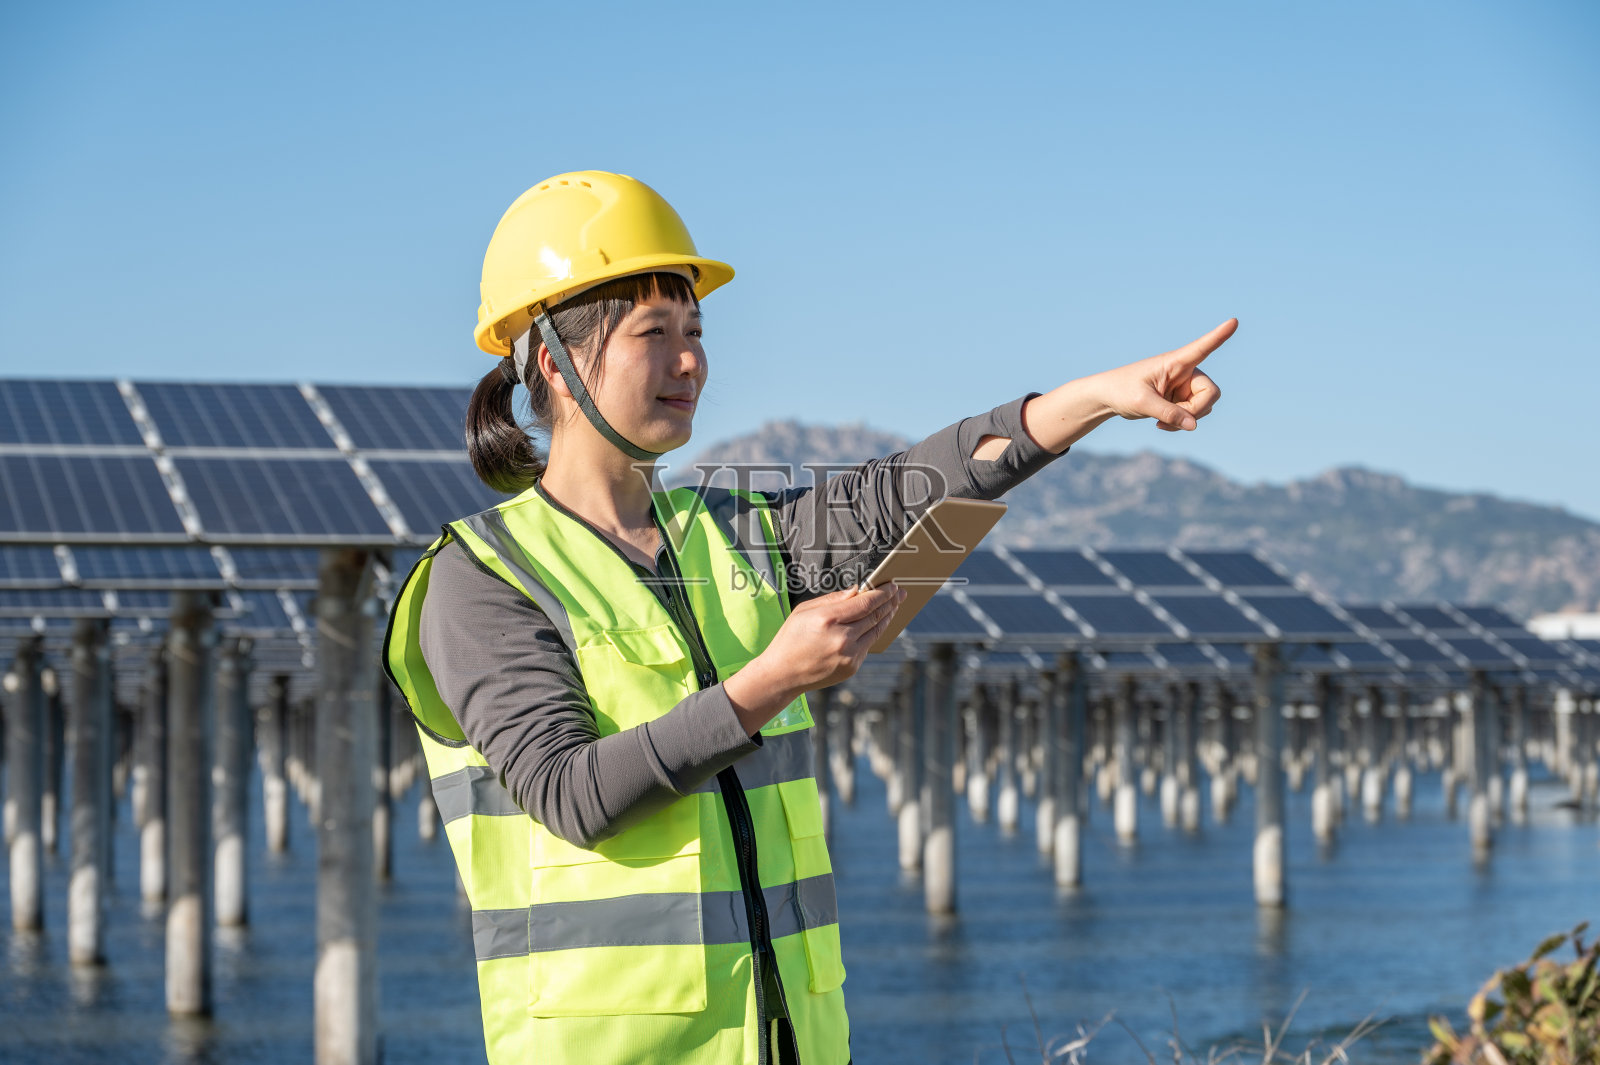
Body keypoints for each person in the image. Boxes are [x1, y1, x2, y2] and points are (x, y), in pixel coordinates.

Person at [384, 170, 1230, 1065]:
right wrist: (769, 681)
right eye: (655, 334)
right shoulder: (481, 579)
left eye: (698, 331)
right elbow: (570, 793)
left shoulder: (734, 532)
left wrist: (1094, 398)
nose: (691, 361)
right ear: (553, 361)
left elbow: (906, 492)